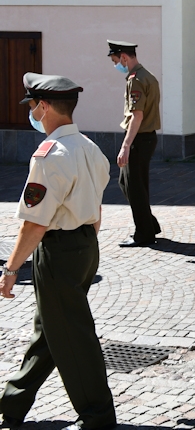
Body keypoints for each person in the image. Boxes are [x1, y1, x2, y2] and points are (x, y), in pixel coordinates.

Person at [0, 73, 116, 430]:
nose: (32, 113)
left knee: (73, 335)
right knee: (50, 330)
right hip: (85, 246)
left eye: (33, 106)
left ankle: (97, 415)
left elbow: (34, 224)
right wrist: (86, 245)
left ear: (45, 107)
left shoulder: (50, 156)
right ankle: (12, 405)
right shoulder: (90, 148)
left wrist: (10, 269)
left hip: (60, 252)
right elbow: (95, 210)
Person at [108, 40, 161, 247]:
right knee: (128, 183)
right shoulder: (149, 76)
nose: (116, 65)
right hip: (147, 137)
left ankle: (144, 233)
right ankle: (149, 224)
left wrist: (126, 145)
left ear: (123, 57)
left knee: (134, 187)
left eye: (115, 61)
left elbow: (137, 116)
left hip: (140, 137)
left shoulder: (136, 79)